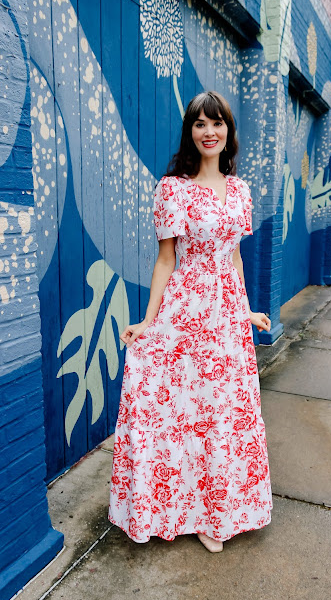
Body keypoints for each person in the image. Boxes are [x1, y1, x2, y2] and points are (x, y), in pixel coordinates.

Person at [108, 91, 273, 553]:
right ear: (191, 132)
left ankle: (216, 512)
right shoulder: (172, 189)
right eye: (200, 124)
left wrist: (247, 309)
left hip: (227, 317)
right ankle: (184, 510)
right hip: (186, 310)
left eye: (217, 123)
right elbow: (165, 261)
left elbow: (236, 259)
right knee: (185, 412)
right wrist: (148, 321)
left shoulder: (240, 191)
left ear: (228, 133)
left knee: (223, 414)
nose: (209, 132)